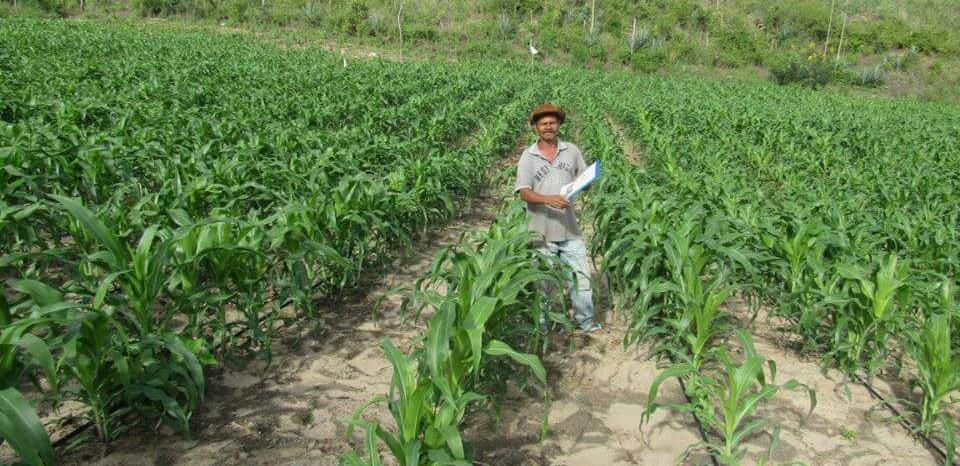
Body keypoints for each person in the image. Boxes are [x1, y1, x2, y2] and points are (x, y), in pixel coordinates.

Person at [514, 103, 601, 333]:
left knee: (581, 281)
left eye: (552, 122)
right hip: (541, 233)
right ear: (536, 128)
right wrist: (547, 199)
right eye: (543, 124)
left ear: (559, 125)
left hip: (570, 229)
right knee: (543, 285)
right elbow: (523, 191)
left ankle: (585, 323)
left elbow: (583, 176)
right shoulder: (528, 156)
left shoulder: (571, 151)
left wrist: (587, 183)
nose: (548, 127)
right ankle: (543, 327)